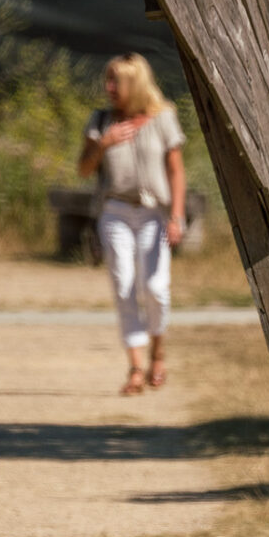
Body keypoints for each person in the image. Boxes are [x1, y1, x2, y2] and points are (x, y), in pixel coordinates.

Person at [76, 53, 185, 396]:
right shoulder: (101, 120)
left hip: (154, 212)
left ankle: (158, 353)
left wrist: (177, 216)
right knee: (124, 282)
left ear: (135, 83)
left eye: (116, 81)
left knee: (155, 286)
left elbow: (176, 171)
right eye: (107, 80)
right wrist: (102, 144)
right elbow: (83, 170)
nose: (109, 88)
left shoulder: (163, 118)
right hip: (116, 211)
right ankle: (136, 367)